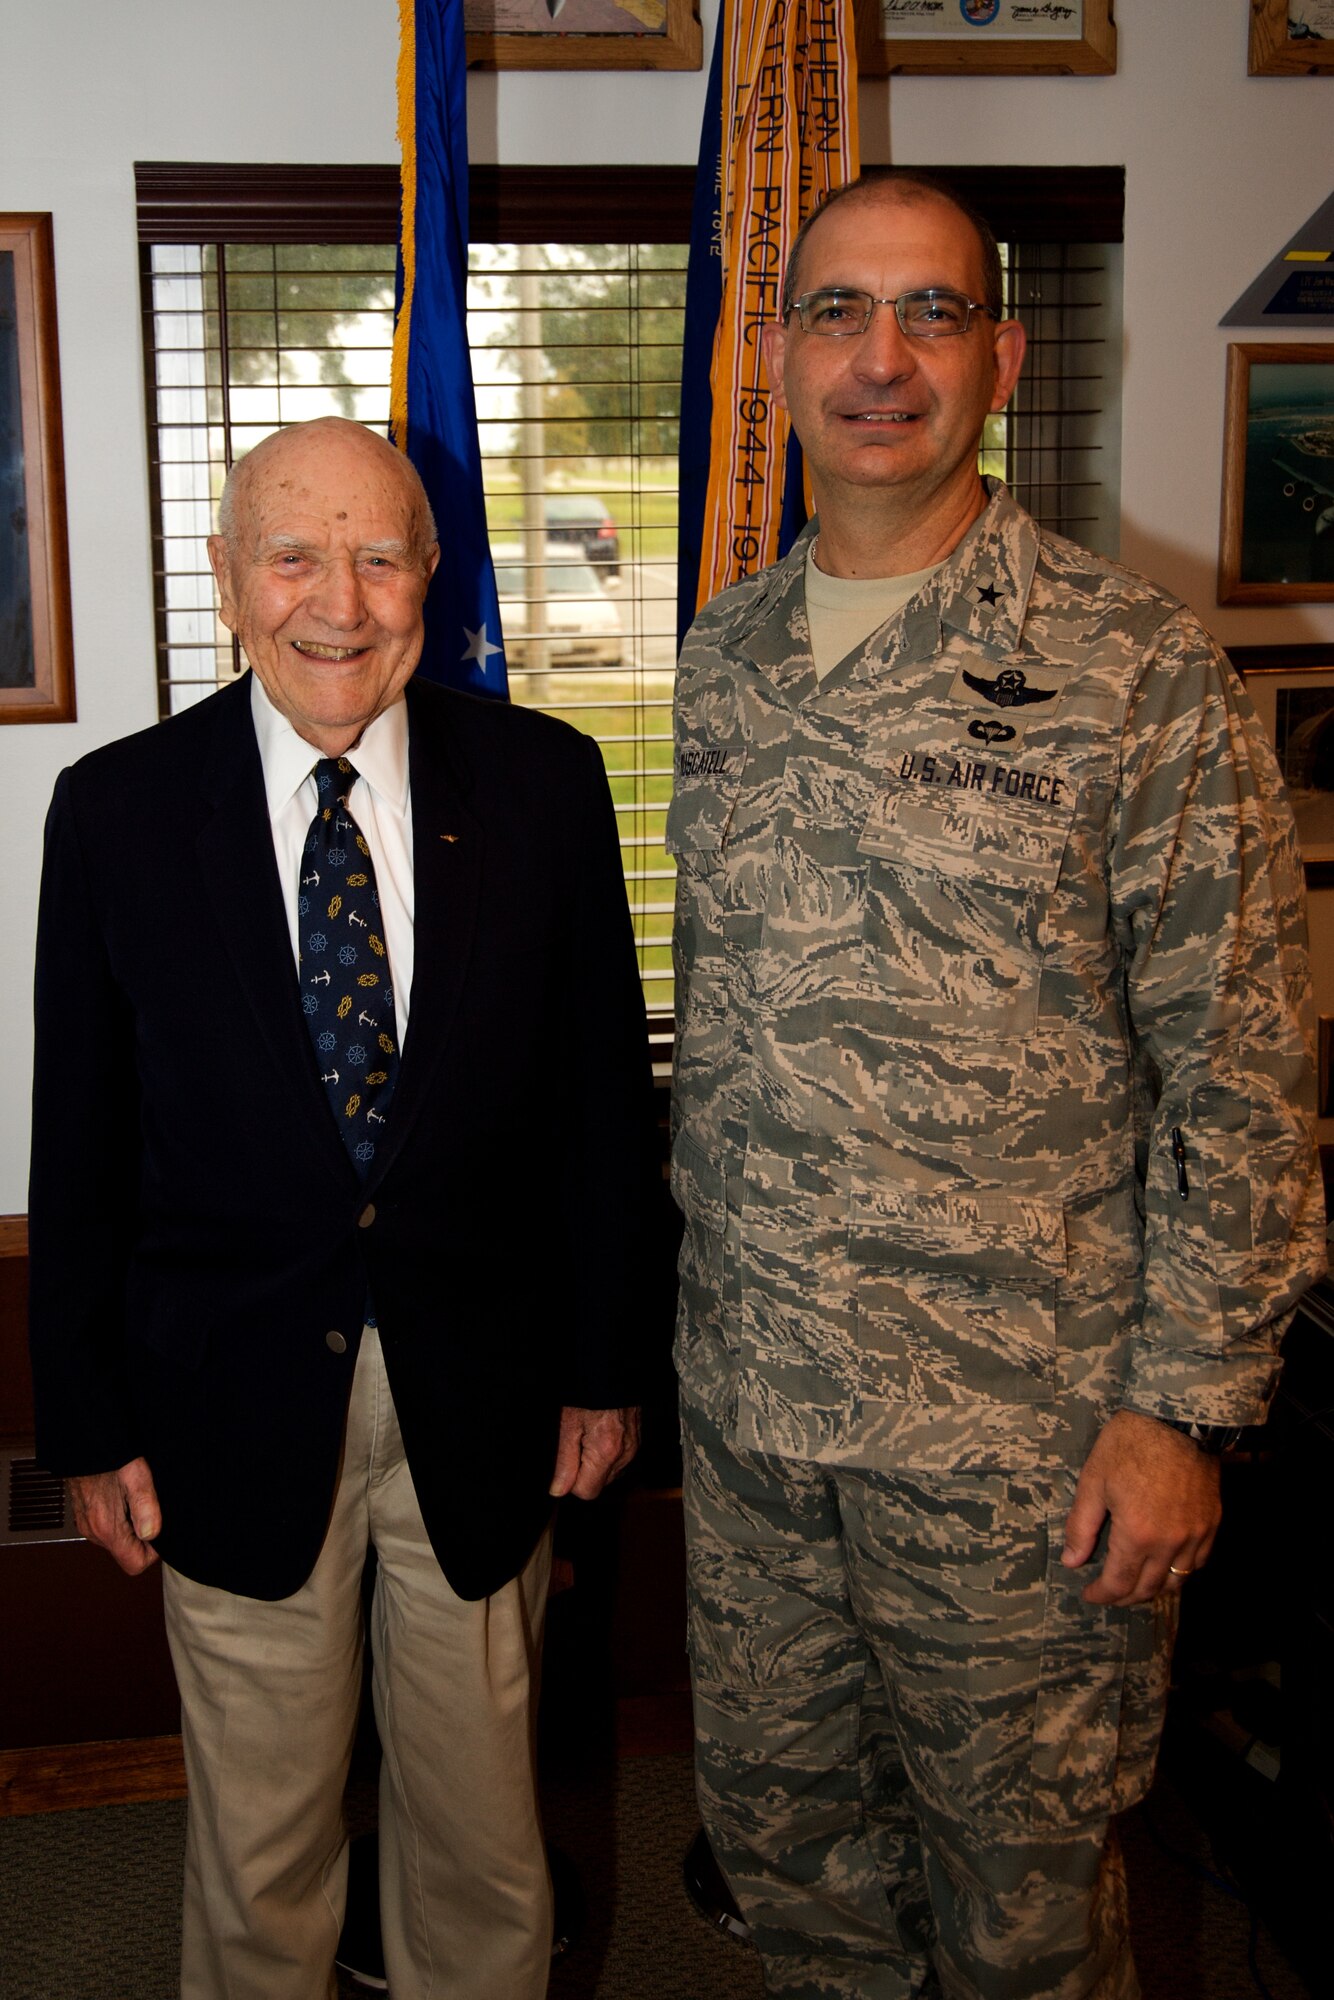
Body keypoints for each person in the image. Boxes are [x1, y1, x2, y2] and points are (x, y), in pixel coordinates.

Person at [668, 171, 1325, 1999]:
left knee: (1024, 1925)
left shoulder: (1132, 672)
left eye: (932, 313)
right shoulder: (722, 661)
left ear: (1003, 355)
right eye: (836, 313)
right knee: (797, 1882)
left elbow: (1245, 1073)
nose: (881, 359)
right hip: (755, 1431)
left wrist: (1182, 1413)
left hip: (1022, 1460)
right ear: (776, 351)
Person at [28, 416, 652, 2000]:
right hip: (222, 1398)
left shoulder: (546, 783)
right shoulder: (115, 810)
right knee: (259, 1844)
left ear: (431, 580)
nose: (341, 599)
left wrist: (602, 1365)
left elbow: (598, 1108)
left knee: (483, 1834)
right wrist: (86, 1422)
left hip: (489, 1394)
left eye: (381, 556)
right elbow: (82, 1139)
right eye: (294, 555)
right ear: (231, 580)